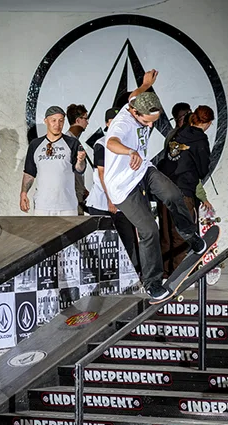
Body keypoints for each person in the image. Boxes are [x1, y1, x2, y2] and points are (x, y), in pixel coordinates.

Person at [103, 69, 206, 300]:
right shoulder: (122, 123)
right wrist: (129, 151)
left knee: (172, 194)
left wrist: (146, 83)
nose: (150, 127)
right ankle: (151, 282)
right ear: (135, 113)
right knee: (149, 230)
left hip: (142, 170)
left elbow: (137, 92)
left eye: (154, 122)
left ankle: (189, 233)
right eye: (148, 122)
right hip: (122, 187)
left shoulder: (135, 101)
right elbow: (111, 143)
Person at [159, 105, 215, 276]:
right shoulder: (200, 139)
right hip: (183, 192)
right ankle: (179, 274)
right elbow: (203, 168)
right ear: (208, 123)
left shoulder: (176, 135)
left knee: (166, 233)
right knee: (182, 233)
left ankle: (165, 271)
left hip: (164, 189)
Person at [86, 107, 140, 272]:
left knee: (127, 241)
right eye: (112, 121)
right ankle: (101, 278)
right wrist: (110, 199)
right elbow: (101, 173)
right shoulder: (101, 144)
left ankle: (128, 277)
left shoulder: (129, 144)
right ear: (107, 123)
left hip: (123, 201)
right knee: (102, 243)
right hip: (103, 202)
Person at [20, 106, 87, 215]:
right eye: (54, 120)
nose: (57, 124)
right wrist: (23, 193)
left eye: (61, 121)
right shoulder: (35, 144)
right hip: (42, 205)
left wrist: (80, 161)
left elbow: (80, 170)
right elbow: (29, 173)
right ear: (46, 121)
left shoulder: (72, 143)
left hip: (67, 206)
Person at [65, 103, 90, 214]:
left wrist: (82, 188)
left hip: (77, 193)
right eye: (85, 118)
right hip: (73, 196)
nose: (87, 122)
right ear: (78, 120)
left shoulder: (73, 140)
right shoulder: (69, 141)